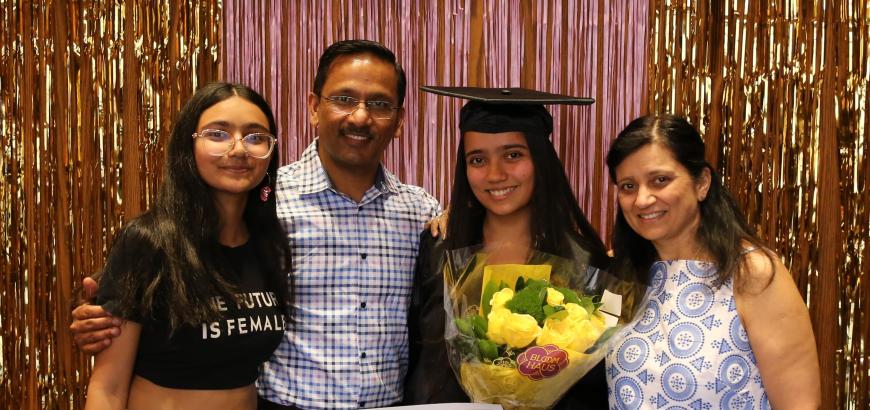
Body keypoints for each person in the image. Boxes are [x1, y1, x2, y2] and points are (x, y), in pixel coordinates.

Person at [72, 40, 442, 409]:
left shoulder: (421, 212)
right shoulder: (266, 201)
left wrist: (463, 215)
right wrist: (105, 310)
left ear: (399, 119)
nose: (360, 117)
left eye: (378, 104)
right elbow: (173, 258)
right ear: (314, 107)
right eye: (343, 99)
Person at [83, 82, 292, 410]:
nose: (238, 149)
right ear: (188, 147)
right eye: (218, 134)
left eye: (255, 137)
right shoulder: (149, 241)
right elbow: (107, 388)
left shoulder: (268, 243)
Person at [404, 87, 612, 408]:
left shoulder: (585, 261)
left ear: (540, 160)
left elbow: (597, 382)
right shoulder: (438, 251)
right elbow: (419, 357)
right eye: (478, 159)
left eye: (513, 155)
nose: (495, 174)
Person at [604, 114, 821, 409]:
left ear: (702, 182)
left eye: (660, 180)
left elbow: (799, 405)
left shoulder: (752, 272)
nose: (642, 199)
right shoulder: (616, 272)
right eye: (628, 186)